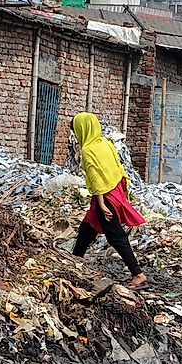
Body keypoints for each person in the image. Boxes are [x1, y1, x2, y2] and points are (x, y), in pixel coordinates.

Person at [71, 112, 147, 289]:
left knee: (116, 236)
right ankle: (74, 262)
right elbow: (120, 167)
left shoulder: (87, 150)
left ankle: (138, 274)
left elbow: (95, 178)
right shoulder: (105, 143)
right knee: (86, 229)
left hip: (104, 196)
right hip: (115, 190)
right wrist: (123, 193)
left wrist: (102, 203)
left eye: (76, 131)